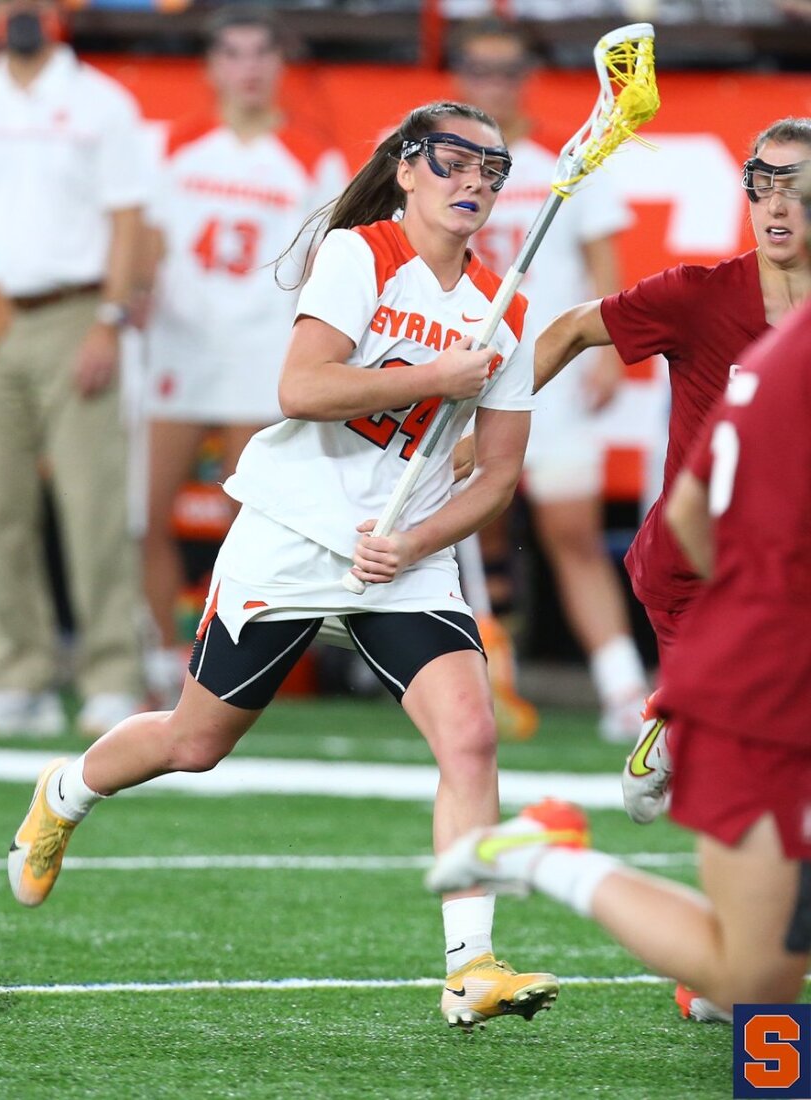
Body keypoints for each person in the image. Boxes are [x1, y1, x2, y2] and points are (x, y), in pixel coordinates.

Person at [6, 100, 564, 1032]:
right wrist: (437, 378)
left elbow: (499, 477)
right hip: (293, 532)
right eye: (458, 160)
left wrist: (418, 544)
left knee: (469, 735)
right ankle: (66, 791)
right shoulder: (359, 256)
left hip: (405, 553)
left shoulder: (502, 310)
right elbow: (302, 388)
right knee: (195, 744)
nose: (476, 179)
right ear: (409, 169)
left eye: (494, 169)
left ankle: (471, 966)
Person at [427, 245, 811, 1020]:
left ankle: (676, 729)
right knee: (759, 982)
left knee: (756, 978)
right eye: (766, 185)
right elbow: (696, 517)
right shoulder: (734, 313)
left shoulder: (786, 337)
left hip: (756, 638)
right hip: (762, 641)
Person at [533, 116, 811, 823]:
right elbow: (569, 329)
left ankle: (682, 714)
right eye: (762, 184)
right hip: (699, 570)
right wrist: (481, 434)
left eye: (797, 186)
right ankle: (681, 718)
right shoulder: (698, 295)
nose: (776, 205)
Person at [0, 0, 149, 738]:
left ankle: (112, 674)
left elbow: (127, 219)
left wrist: (110, 320)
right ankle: (15, 674)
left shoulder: (102, 103)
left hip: (72, 312)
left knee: (92, 505)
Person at [140, 9, 350, 707]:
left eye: (261, 54)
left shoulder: (310, 156)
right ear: (211, 66)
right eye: (233, 54)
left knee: (250, 517)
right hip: (178, 342)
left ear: (279, 66)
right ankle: (155, 652)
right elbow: (145, 238)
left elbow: (332, 259)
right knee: (148, 511)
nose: (249, 68)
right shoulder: (173, 146)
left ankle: (220, 655)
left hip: (261, 347)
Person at [452, 18, 648, 741]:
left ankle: (620, 682)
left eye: (506, 69)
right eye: (478, 67)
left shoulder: (568, 158)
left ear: (527, 75)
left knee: (570, 528)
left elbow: (604, 258)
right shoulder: (438, 157)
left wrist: (607, 350)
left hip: (548, 366)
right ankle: (478, 680)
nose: (492, 83)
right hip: (462, 363)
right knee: (468, 527)